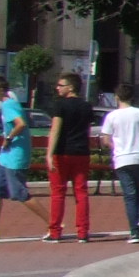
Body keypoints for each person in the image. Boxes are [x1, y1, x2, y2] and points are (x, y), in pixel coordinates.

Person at [0, 75, 42, 240]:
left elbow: (20, 124)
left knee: (19, 193)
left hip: (15, 156)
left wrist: (8, 138)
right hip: (5, 156)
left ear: (1, 90)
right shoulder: (7, 104)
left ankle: (54, 224)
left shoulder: (9, 105)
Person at [41, 72, 95, 242]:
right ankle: (83, 232)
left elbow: (55, 130)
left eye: (60, 85)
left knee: (58, 192)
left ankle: (55, 232)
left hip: (62, 152)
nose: (57, 88)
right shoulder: (86, 106)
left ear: (70, 87)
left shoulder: (60, 105)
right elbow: (87, 129)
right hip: (81, 152)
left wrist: (49, 154)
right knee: (81, 192)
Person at [99, 82, 139, 242]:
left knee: (129, 195)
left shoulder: (112, 116)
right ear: (132, 97)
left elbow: (106, 139)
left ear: (117, 97)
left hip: (122, 158)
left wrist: (115, 148)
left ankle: (134, 231)